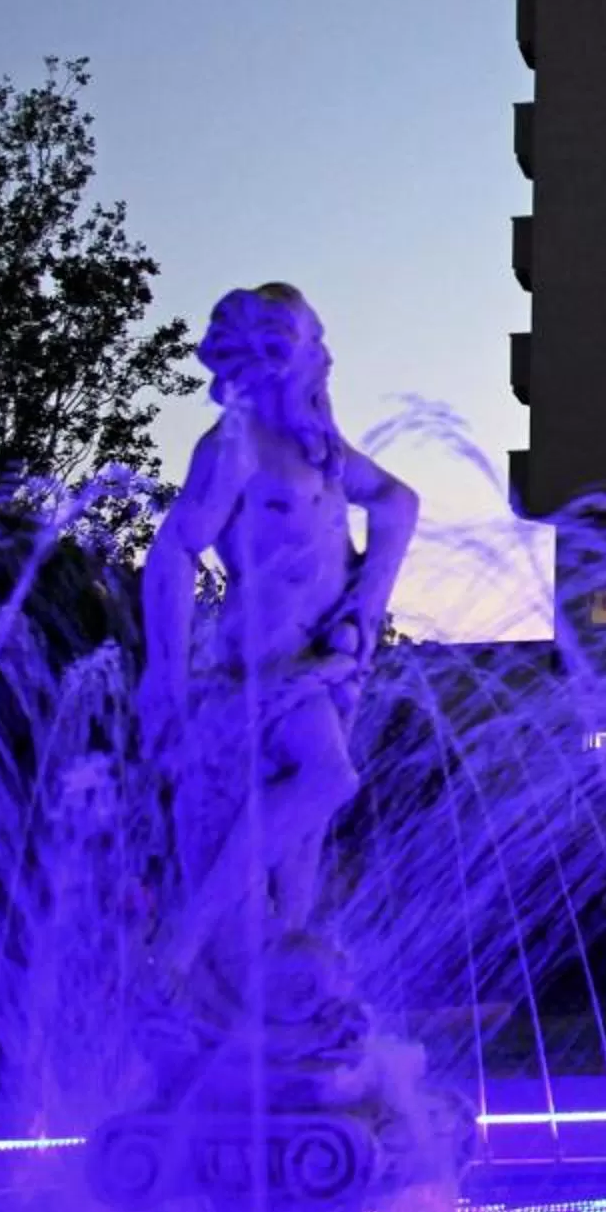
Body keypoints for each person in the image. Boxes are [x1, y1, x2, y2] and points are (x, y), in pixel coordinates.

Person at [139, 284, 417, 988]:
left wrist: (364, 607)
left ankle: (272, 993)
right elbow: (175, 550)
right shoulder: (234, 445)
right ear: (259, 360)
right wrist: (165, 676)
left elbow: (398, 501)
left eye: (305, 345)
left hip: (332, 659)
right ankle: (184, 938)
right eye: (296, 347)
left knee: (300, 861)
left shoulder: (320, 448)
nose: (312, 362)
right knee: (327, 778)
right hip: (267, 662)